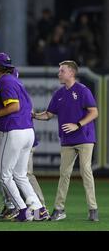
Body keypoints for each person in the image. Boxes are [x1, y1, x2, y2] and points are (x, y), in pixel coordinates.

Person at [33, 60, 99, 221]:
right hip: (67, 140)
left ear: (71, 73)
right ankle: (59, 209)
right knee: (64, 174)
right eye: (59, 70)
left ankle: (93, 209)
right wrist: (34, 115)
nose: (59, 73)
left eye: (62, 71)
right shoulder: (59, 94)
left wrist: (78, 125)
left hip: (84, 137)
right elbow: (49, 114)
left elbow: (94, 112)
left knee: (85, 170)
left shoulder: (83, 90)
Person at [0, 52, 47, 222]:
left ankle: (23, 210)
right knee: (20, 175)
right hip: (27, 131)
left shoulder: (5, 81)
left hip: (14, 131)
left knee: (4, 175)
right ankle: (38, 209)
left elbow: (14, 106)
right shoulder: (16, 81)